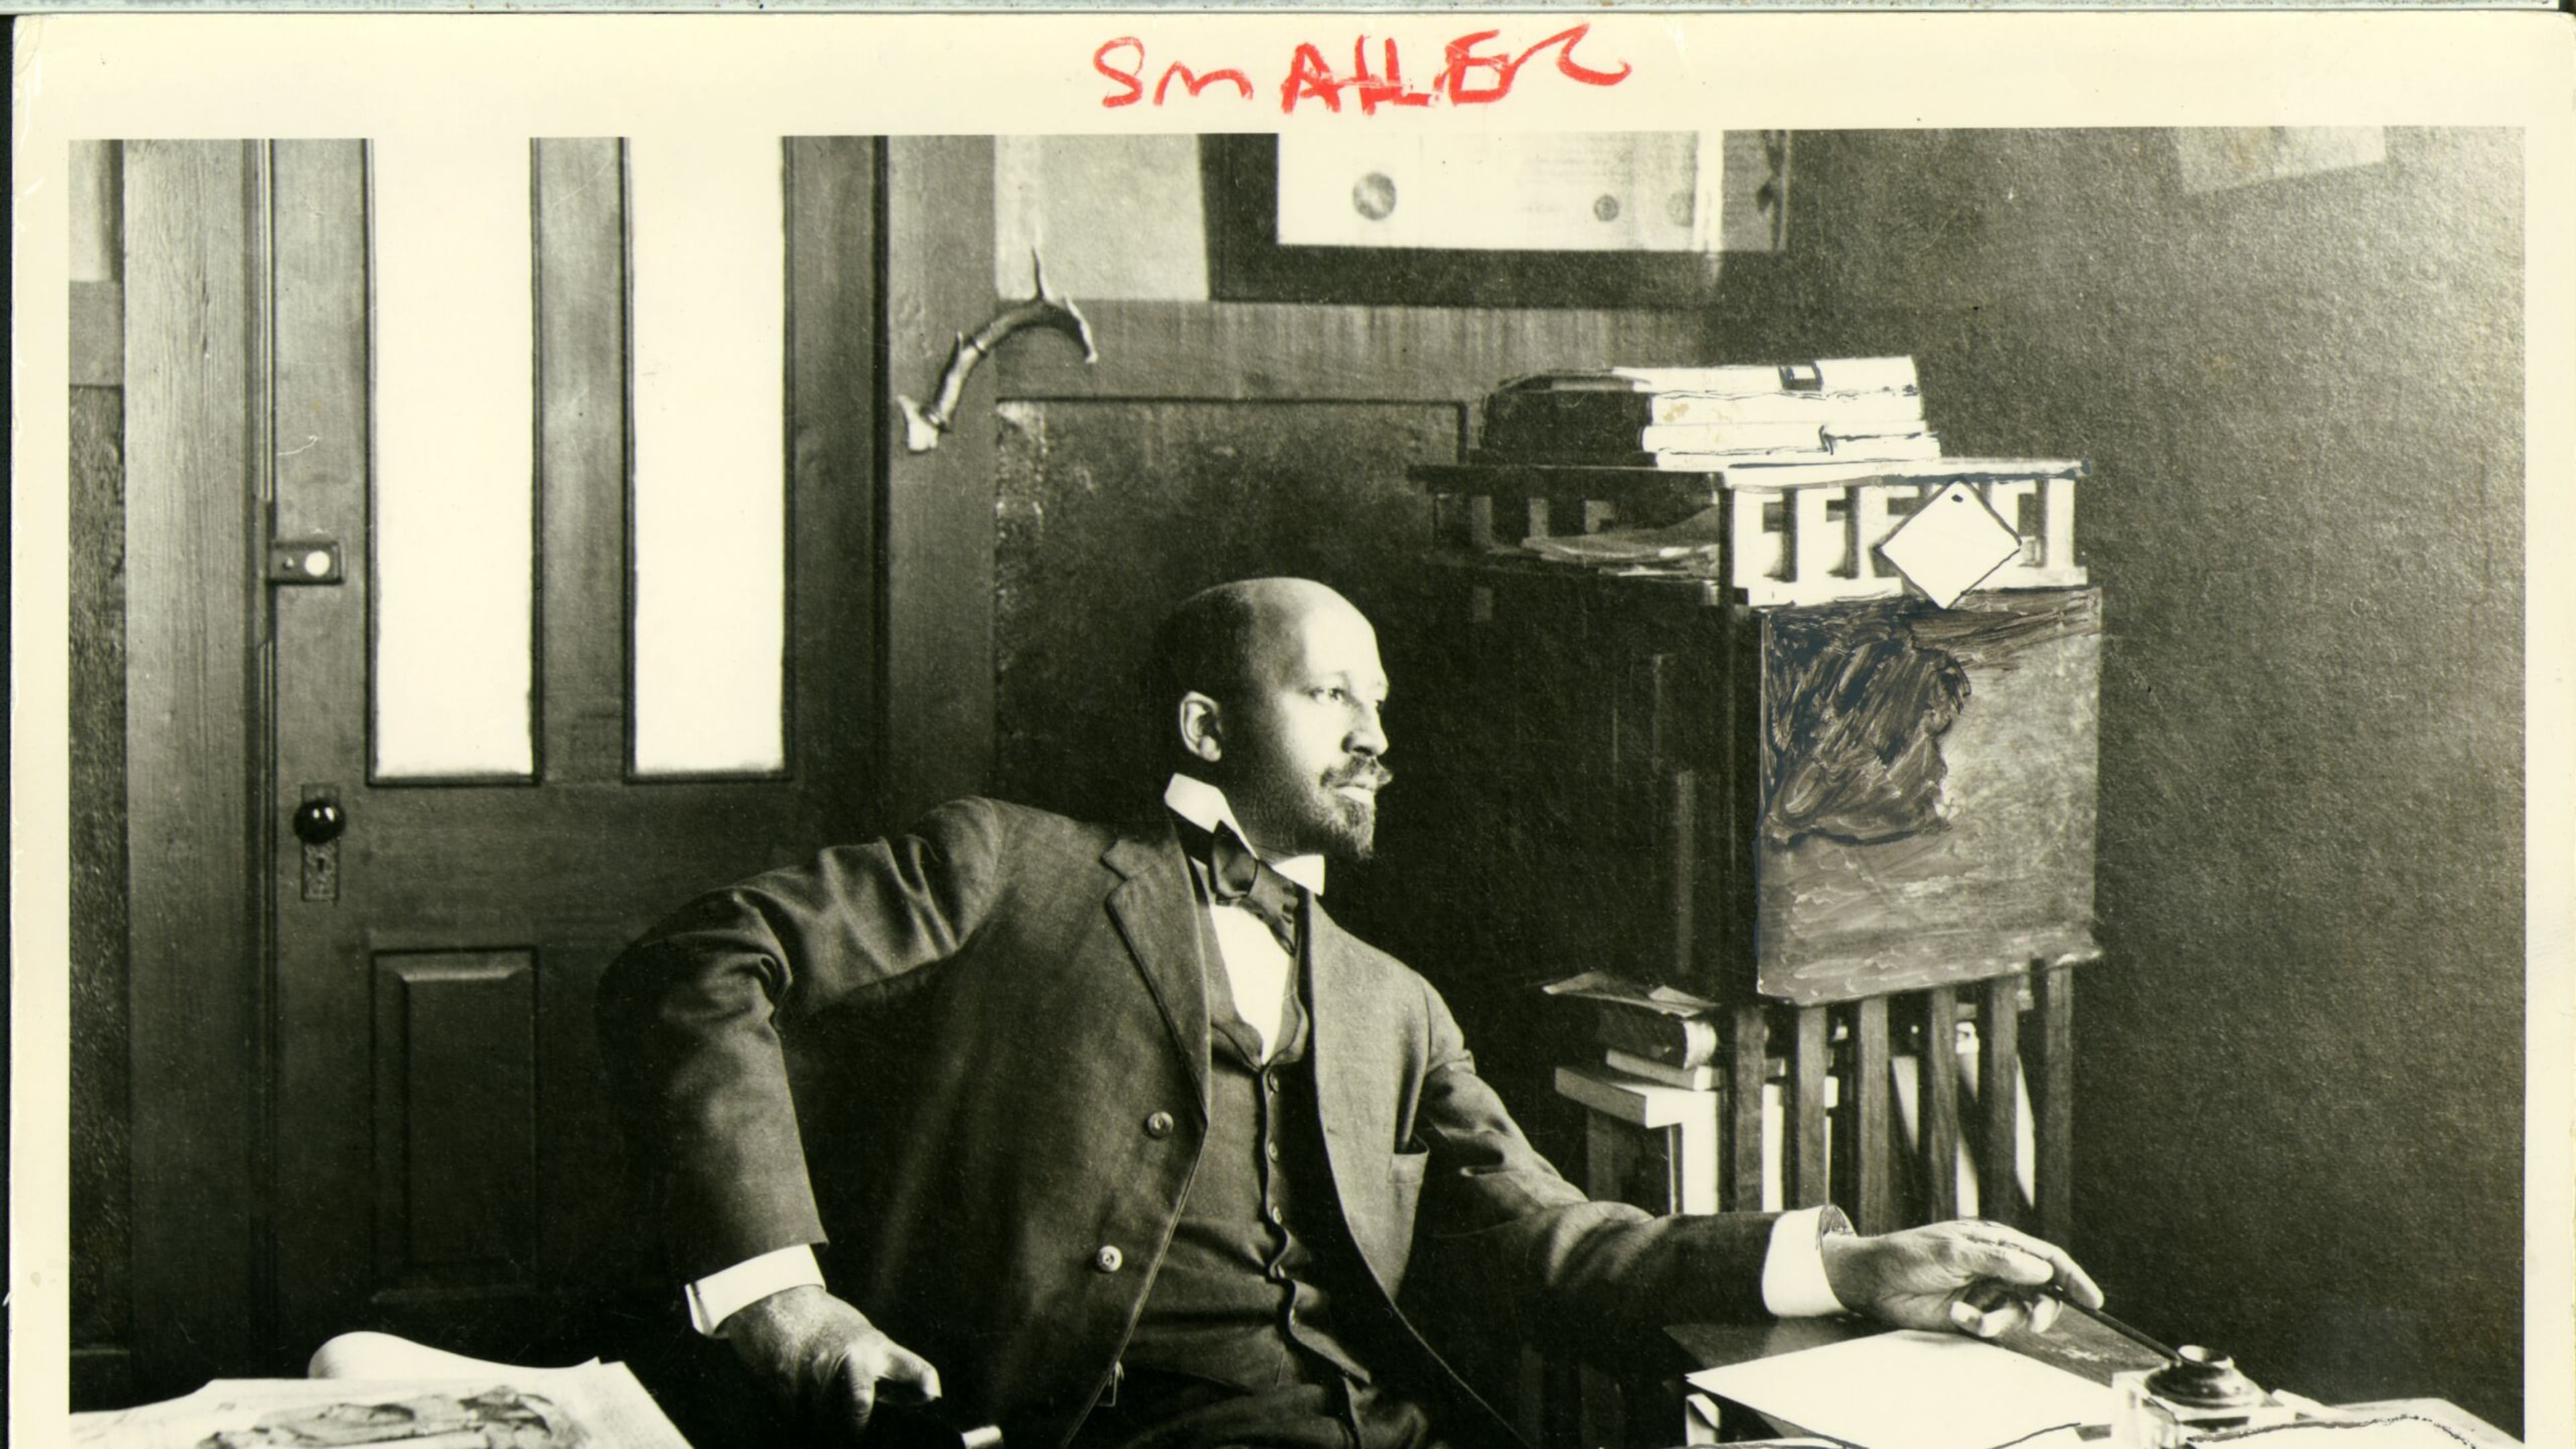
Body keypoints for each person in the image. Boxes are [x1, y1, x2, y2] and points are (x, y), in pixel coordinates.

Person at [598, 578, 2102, 1449]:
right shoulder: (1010, 867)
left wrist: (1848, 1263)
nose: (1380, 737)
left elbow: (1556, 1238)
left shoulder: (1392, 1002)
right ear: (1207, 725)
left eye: (1383, 706)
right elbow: (699, 963)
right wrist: (775, 1297)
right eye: (1334, 699)